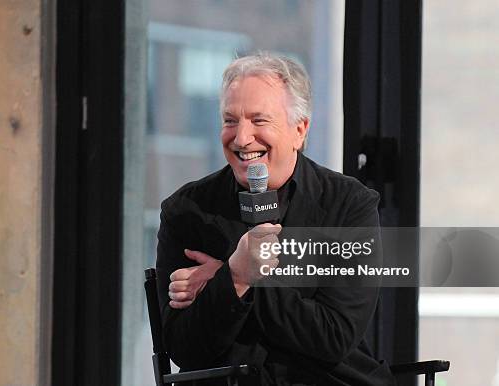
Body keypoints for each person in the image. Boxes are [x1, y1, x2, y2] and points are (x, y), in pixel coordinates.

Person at [155, 53, 395, 385]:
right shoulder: (186, 211)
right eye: (230, 121)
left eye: (259, 120)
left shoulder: (349, 205)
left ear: (300, 130)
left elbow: (332, 338)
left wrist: (232, 278)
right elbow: (183, 349)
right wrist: (236, 276)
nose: (241, 138)